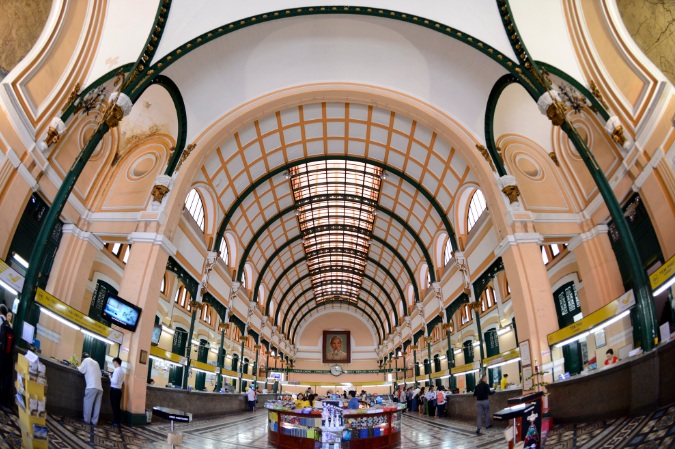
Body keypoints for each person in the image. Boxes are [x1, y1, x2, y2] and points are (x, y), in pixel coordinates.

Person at [78, 352, 103, 426]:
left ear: (83, 358)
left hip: (91, 386)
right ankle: (94, 422)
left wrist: (76, 366)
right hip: (100, 388)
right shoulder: (96, 362)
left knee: (88, 403)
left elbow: (81, 370)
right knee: (97, 406)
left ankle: (86, 421)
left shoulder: (86, 361)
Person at [0, 304, 15, 407]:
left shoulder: (2, 324)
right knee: (4, 378)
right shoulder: (8, 327)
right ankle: (3, 400)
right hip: (8, 357)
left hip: (1, 354)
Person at [109, 357, 124, 428]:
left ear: (116, 362)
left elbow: (114, 381)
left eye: (113, 363)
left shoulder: (117, 370)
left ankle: (115, 422)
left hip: (114, 390)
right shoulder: (122, 371)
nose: (113, 364)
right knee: (117, 407)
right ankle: (117, 421)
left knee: (114, 407)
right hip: (119, 391)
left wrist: (110, 377)